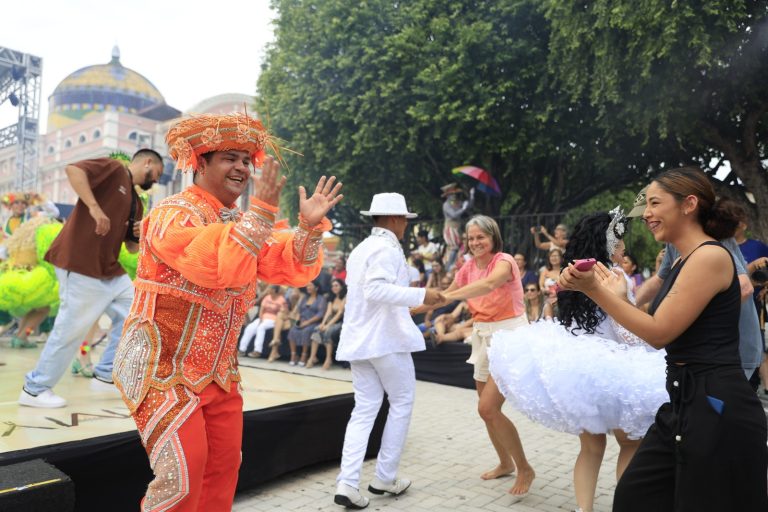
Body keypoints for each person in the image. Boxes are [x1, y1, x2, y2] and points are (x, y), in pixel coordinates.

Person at [112, 112, 342, 512]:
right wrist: (263, 210)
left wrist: (306, 228)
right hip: (163, 372)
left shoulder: (238, 220)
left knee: (223, 471)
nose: (241, 167)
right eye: (228, 158)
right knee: (181, 479)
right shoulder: (172, 214)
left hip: (219, 375)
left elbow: (287, 265)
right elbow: (218, 265)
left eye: (245, 159)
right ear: (200, 163)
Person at [559, 167, 768, 511]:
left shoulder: (711, 256)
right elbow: (654, 325)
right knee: (634, 497)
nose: (648, 214)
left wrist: (595, 290)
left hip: (715, 406)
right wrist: (615, 296)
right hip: (684, 400)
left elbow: (658, 332)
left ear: (688, 204)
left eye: (655, 203)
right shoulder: (685, 259)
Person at [490, 210, 667, 512]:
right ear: (607, 242)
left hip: (581, 375)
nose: (623, 247)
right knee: (629, 444)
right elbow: (630, 336)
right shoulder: (615, 277)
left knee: (591, 447)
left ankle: (584, 509)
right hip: (619, 373)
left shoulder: (570, 276)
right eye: (619, 239)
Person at [19, 148, 163, 408]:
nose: (155, 180)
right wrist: (95, 209)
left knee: (138, 314)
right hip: (80, 262)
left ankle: (106, 373)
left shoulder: (136, 202)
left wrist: (143, 232)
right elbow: (73, 170)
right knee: (71, 328)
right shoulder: (115, 169)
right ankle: (35, 388)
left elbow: (130, 247)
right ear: (147, 162)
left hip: (109, 270)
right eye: (156, 174)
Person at [334, 193, 443, 509]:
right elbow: (375, 289)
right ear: (396, 219)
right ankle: (384, 477)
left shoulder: (362, 248)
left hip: (360, 339)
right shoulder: (386, 248)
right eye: (406, 219)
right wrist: (423, 293)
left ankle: (348, 482)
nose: (407, 225)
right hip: (384, 340)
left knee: (365, 408)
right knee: (401, 401)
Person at [423, 215, 536, 497]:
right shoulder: (468, 266)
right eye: (471, 238)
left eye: (480, 237)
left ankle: (525, 468)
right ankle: (505, 463)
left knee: (488, 408)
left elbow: (488, 285)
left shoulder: (504, 261)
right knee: (487, 412)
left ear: (492, 237)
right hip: (482, 335)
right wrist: (409, 304)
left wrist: (448, 297)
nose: (475, 243)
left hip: (509, 337)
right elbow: (447, 293)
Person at [238, 285, 287, 358]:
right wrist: (260, 319)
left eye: (270, 289)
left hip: (273, 320)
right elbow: (262, 310)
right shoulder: (267, 298)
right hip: (263, 318)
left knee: (261, 327)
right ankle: (242, 350)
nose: (268, 290)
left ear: (274, 290)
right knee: (250, 328)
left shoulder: (281, 299)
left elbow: (283, 312)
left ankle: (257, 351)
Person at [308, 277, 346, 369]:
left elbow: (339, 314)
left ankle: (328, 359)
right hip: (330, 320)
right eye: (333, 286)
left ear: (341, 287)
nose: (334, 288)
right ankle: (312, 357)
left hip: (341, 322)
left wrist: (328, 326)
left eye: (336, 285)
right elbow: (328, 312)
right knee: (317, 330)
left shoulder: (345, 297)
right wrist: (323, 323)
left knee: (328, 332)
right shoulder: (331, 297)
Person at [287, 280, 326, 366]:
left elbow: (320, 314)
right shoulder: (305, 298)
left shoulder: (321, 299)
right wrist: (298, 321)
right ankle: (293, 355)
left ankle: (304, 356)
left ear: (316, 287)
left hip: (313, 323)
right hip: (302, 321)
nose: (308, 287)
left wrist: (307, 322)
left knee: (306, 331)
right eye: (307, 286)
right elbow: (300, 311)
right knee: (293, 330)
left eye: (310, 286)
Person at [441, 183, 474, 270]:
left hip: (457, 228)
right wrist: (463, 208)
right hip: (450, 228)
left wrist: (472, 195)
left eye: (455, 194)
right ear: (448, 195)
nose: (454, 195)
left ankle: (453, 267)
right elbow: (454, 215)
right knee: (454, 248)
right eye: (452, 194)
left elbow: (469, 207)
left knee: (458, 248)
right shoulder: (446, 205)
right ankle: (448, 268)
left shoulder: (457, 203)